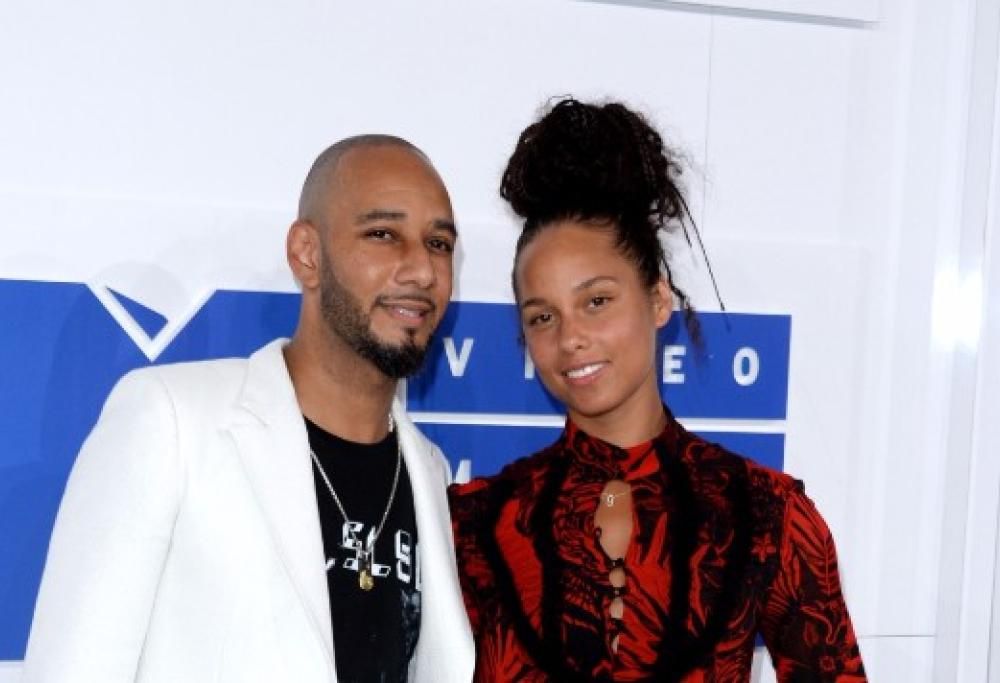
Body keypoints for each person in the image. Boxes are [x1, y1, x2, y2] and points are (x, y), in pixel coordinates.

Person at [22, 135, 475, 683]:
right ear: (307, 254)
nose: (422, 270)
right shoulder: (172, 421)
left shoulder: (430, 472)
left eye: (439, 243)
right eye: (383, 234)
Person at [448, 99, 866, 682]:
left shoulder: (767, 515)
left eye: (597, 301)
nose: (571, 337)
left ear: (659, 299)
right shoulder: (474, 524)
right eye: (543, 317)